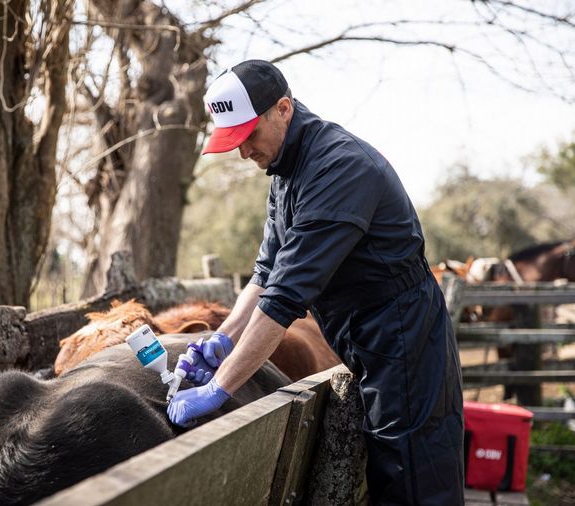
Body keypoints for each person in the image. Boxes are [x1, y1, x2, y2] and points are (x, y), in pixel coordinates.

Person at [166, 59, 464, 505]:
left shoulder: (339, 168)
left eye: (247, 135)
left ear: (282, 108)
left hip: (403, 339)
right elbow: (267, 273)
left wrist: (219, 387)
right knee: (388, 473)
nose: (243, 152)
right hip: (365, 334)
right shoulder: (286, 171)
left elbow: (286, 296)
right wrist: (221, 340)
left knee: (413, 482)